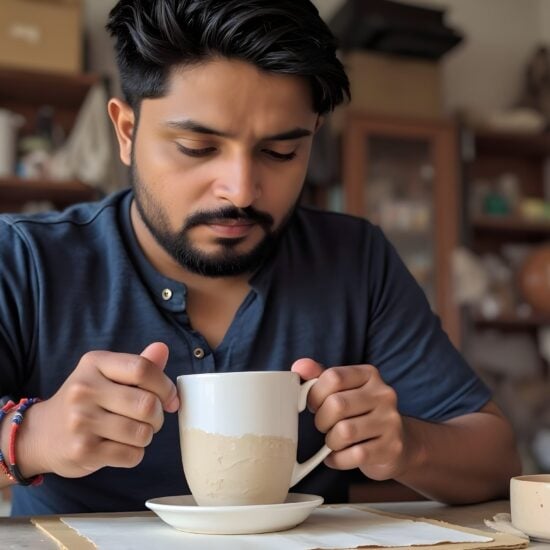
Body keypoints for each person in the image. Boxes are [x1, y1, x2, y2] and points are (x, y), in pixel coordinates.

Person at [0, 0, 521, 516]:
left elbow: (497, 459)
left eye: (280, 153)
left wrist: (408, 445)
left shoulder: (354, 260)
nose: (242, 191)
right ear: (127, 132)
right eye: (198, 147)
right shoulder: (28, 259)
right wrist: (28, 439)